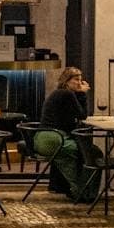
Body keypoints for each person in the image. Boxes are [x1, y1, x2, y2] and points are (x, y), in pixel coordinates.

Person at [37, 66, 95, 202]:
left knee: (83, 150)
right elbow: (82, 115)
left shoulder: (60, 93)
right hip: (52, 138)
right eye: (76, 80)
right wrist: (82, 94)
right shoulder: (67, 94)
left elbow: (72, 118)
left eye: (81, 80)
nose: (79, 83)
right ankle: (80, 191)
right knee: (84, 152)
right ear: (66, 81)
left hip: (46, 137)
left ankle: (63, 187)